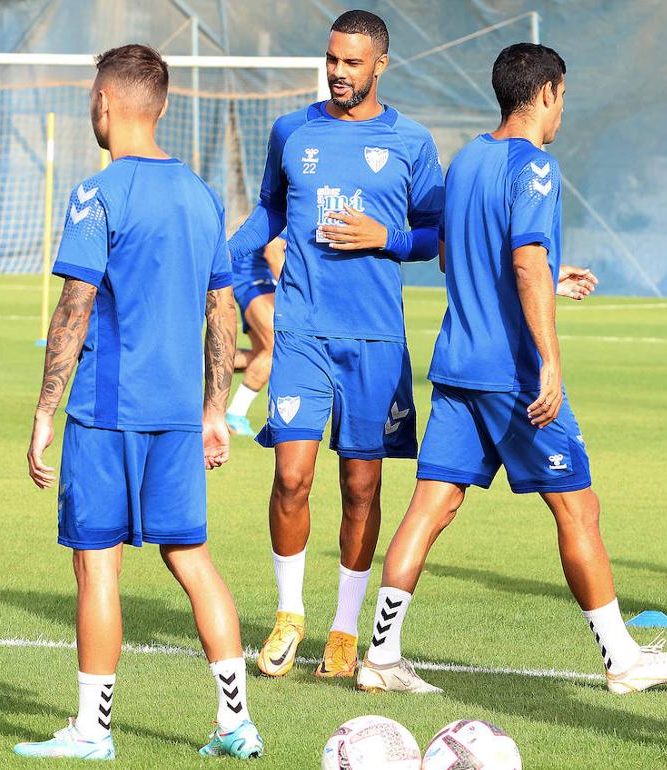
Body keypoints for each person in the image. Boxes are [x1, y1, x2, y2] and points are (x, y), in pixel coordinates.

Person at [355, 42, 667, 696]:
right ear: (546, 92)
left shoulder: (467, 161)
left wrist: (549, 274)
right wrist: (549, 361)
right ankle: (623, 661)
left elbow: (459, 257)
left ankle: (380, 654)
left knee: (431, 506)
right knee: (578, 507)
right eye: (563, 96)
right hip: (511, 375)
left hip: (456, 364)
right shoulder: (536, 166)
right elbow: (521, 262)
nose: (562, 108)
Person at [15, 44, 262, 761]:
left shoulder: (100, 192)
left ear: (103, 103)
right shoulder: (201, 193)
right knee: (194, 559)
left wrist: (43, 412)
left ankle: (92, 733)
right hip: (181, 414)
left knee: (98, 564)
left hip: (107, 409)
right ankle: (235, 723)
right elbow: (224, 308)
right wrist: (216, 408)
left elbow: (75, 304)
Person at [227, 10, 444, 680]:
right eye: (331, 59)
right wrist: (224, 263)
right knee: (291, 476)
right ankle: (289, 614)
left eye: (352, 62)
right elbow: (268, 209)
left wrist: (388, 239)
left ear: (380, 65)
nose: (338, 72)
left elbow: (437, 233)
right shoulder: (292, 130)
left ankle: (344, 630)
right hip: (301, 332)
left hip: (376, 340)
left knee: (361, 484)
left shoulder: (411, 140)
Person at [226, 237, 285, 437]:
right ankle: (234, 415)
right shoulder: (290, 206)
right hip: (254, 278)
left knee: (261, 355)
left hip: (256, 278)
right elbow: (273, 252)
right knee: (275, 348)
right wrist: (296, 294)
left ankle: (189, 367)